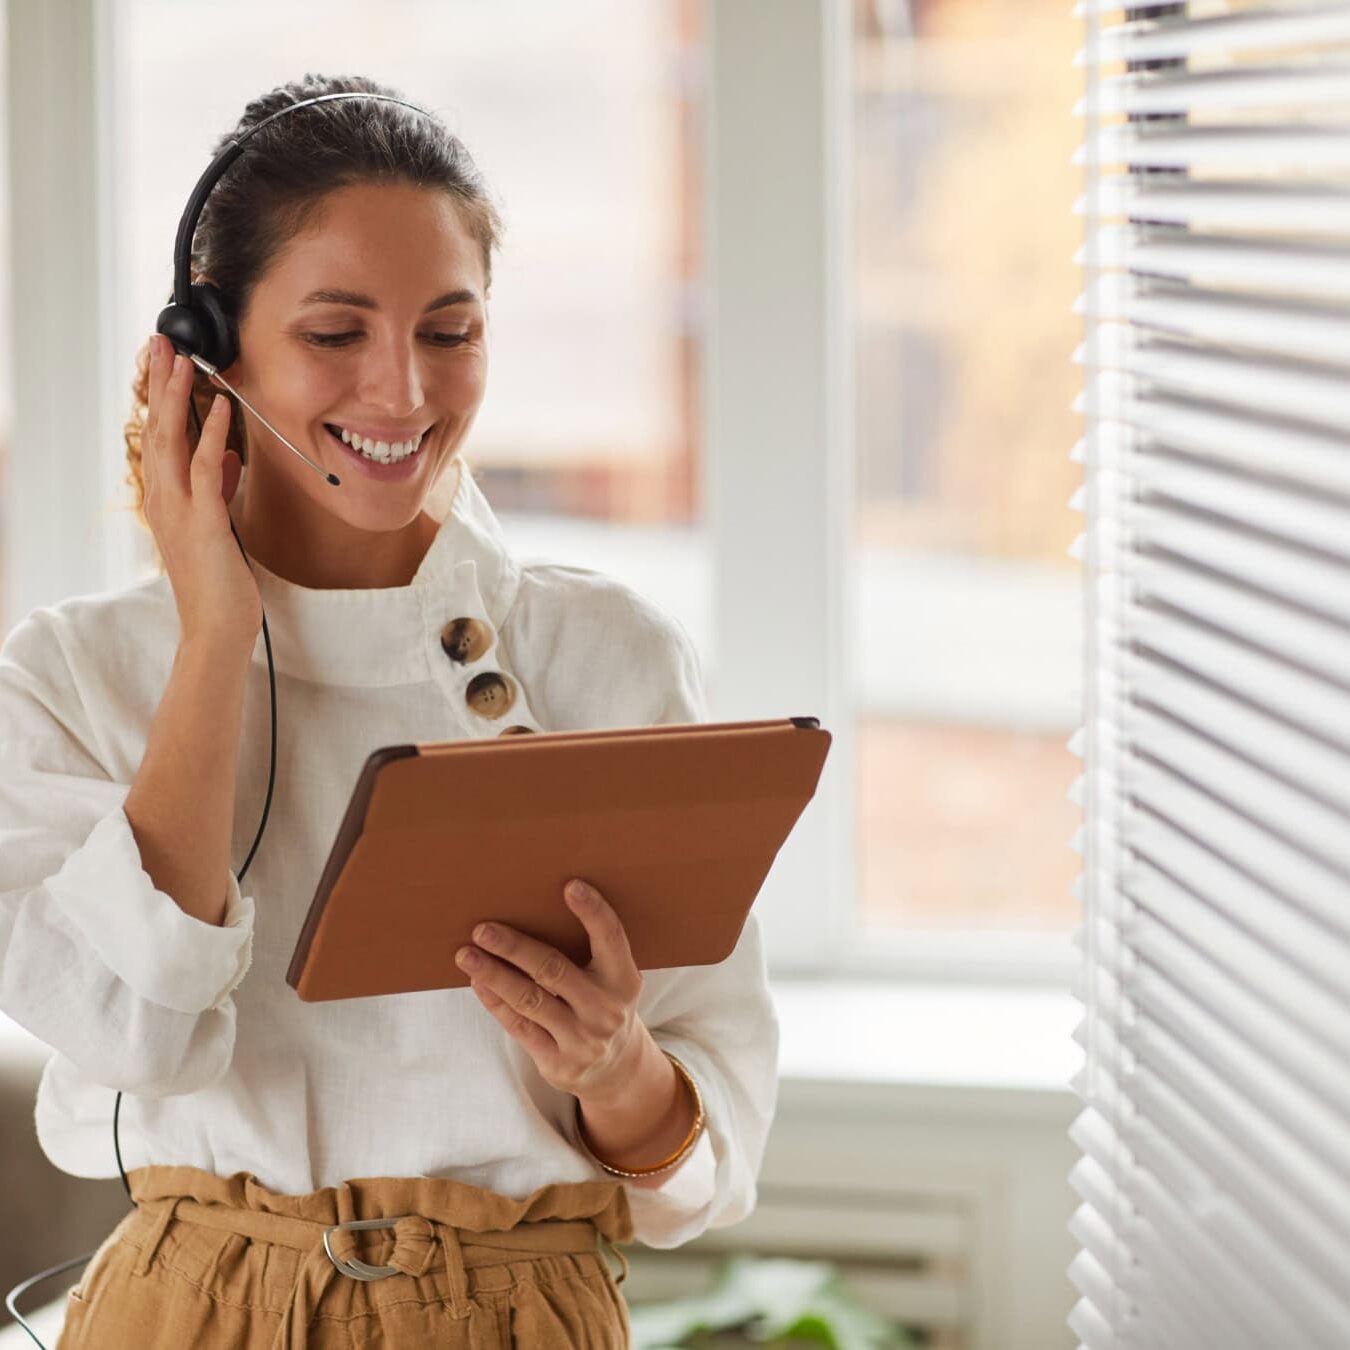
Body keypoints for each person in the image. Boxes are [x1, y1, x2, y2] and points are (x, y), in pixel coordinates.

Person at [0, 72, 779, 1348]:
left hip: (519, 1312)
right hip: (189, 1313)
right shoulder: (72, 678)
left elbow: (704, 1169)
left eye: (450, 331)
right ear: (205, 350)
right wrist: (215, 637)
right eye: (336, 331)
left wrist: (613, 1069)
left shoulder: (611, 661)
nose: (404, 393)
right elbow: (135, 1029)